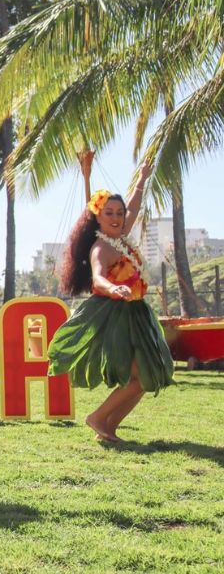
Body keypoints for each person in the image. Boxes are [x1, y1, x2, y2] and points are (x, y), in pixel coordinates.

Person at [47, 164, 173, 442]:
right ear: (98, 217)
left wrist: (141, 178)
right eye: (109, 213)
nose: (116, 217)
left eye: (119, 213)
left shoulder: (119, 238)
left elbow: (135, 206)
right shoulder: (101, 247)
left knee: (147, 376)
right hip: (113, 316)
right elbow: (98, 279)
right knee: (139, 377)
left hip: (136, 313)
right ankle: (96, 418)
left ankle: (108, 427)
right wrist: (114, 287)